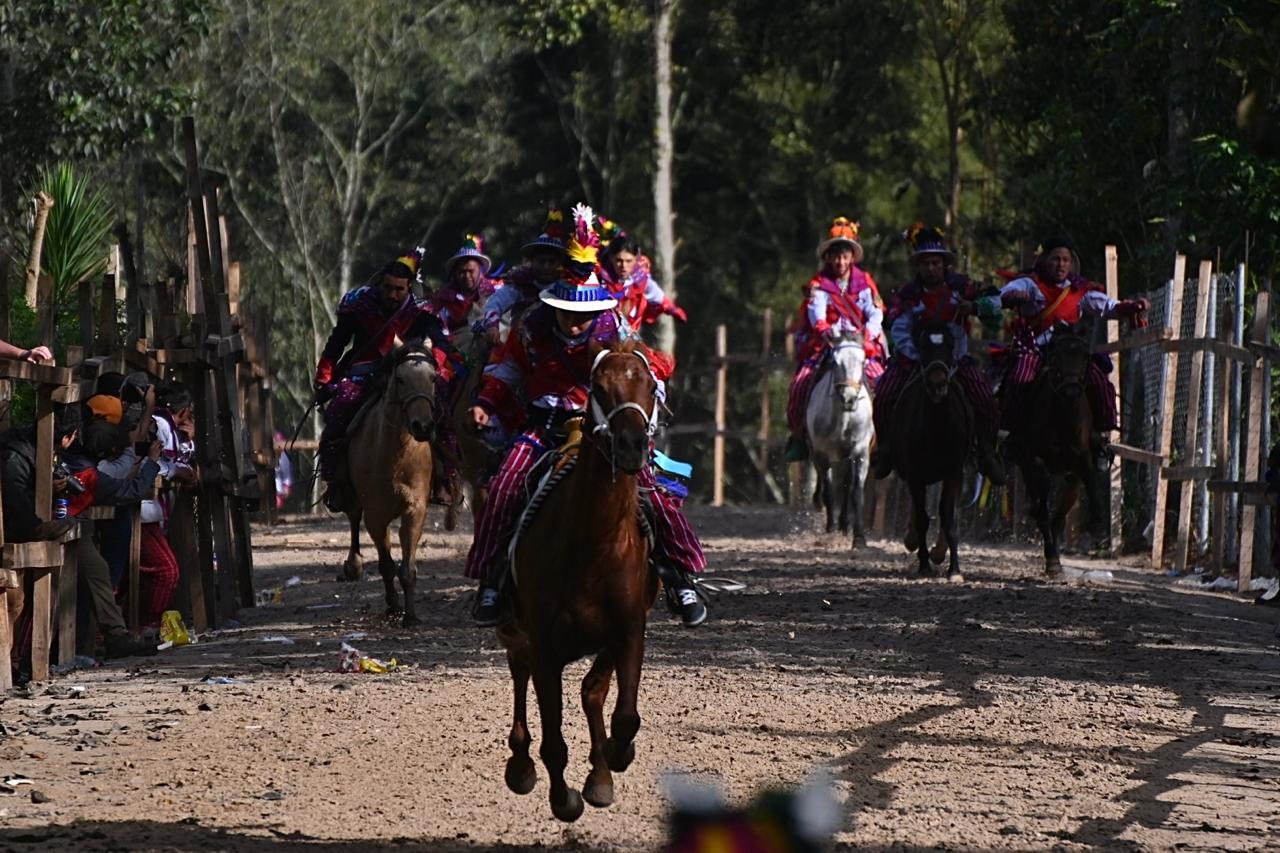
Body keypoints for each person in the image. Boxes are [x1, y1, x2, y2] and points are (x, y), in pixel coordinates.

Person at [465, 204, 708, 628]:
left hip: (604, 432)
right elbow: (508, 371)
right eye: (568, 313)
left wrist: (643, 413)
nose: (576, 323)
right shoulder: (530, 325)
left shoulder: (615, 327)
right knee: (504, 488)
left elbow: (645, 372)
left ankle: (678, 577)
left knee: (653, 494)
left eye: (583, 315)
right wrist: (485, 404)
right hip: (545, 429)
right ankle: (493, 581)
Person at [2, 404, 160, 659]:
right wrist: (151, 463)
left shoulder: (39, 450)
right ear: (68, 436)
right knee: (39, 590)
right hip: (22, 530)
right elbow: (16, 507)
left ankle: (116, 635)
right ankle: (28, 656)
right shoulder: (22, 455)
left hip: (46, 525)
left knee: (95, 565)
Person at [313, 249, 452, 512]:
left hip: (409, 373)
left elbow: (441, 343)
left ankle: (444, 479)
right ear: (380, 284)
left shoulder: (421, 311)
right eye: (387, 287)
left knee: (442, 415)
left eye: (399, 289)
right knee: (339, 413)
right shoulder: (358, 306)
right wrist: (324, 377)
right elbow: (336, 344)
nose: (392, 294)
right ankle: (337, 482)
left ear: (409, 288)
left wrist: (436, 366)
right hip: (364, 371)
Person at [993, 235, 1147, 464]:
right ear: (1045, 260)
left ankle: (1101, 437)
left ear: (1071, 263)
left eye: (1065, 260)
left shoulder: (1080, 291)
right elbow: (1003, 294)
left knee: (1099, 380)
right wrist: (1010, 297)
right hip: (1037, 351)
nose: (1061, 264)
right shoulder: (1029, 284)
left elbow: (1107, 306)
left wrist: (1130, 307)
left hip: (1069, 354)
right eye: (1056, 259)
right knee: (1020, 376)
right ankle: (1012, 434)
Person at [870, 224, 1005, 484]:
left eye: (935, 263)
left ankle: (987, 452)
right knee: (885, 393)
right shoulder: (908, 294)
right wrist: (917, 358)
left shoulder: (963, 287)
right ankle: (886, 449)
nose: (931, 268)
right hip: (916, 359)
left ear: (944, 264)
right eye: (925, 264)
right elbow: (898, 328)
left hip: (954, 358)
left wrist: (975, 306)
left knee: (984, 397)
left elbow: (996, 302)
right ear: (918, 267)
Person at [785, 216, 886, 462]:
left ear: (852, 258)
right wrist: (824, 329)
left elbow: (875, 314)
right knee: (800, 384)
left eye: (845, 256)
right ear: (828, 258)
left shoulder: (864, 284)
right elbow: (816, 312)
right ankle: (799, 436)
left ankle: (885, 440)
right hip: (827, 345)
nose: (840, 262)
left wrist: (869, 336)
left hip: (859, 346)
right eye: (836, 256)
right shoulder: (819, 285)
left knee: (883, 384)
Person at [479, 207, 567, 344]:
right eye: (541, 261)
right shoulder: (519, 284)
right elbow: (495, 304)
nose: (546, 266)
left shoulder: (569, 286)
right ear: (532, 261)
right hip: (519, 349)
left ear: (560, 263)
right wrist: (492, 326)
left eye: (551, 262)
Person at [596, 214, 687, 333]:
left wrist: (672, 309)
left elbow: (657, 295)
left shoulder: (639, 278)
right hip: (599, 332)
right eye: (619, 261)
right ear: (611, 258)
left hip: (630, 333)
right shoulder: (598, 276)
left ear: (635, 259)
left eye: (628, 261)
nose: (624, 266)